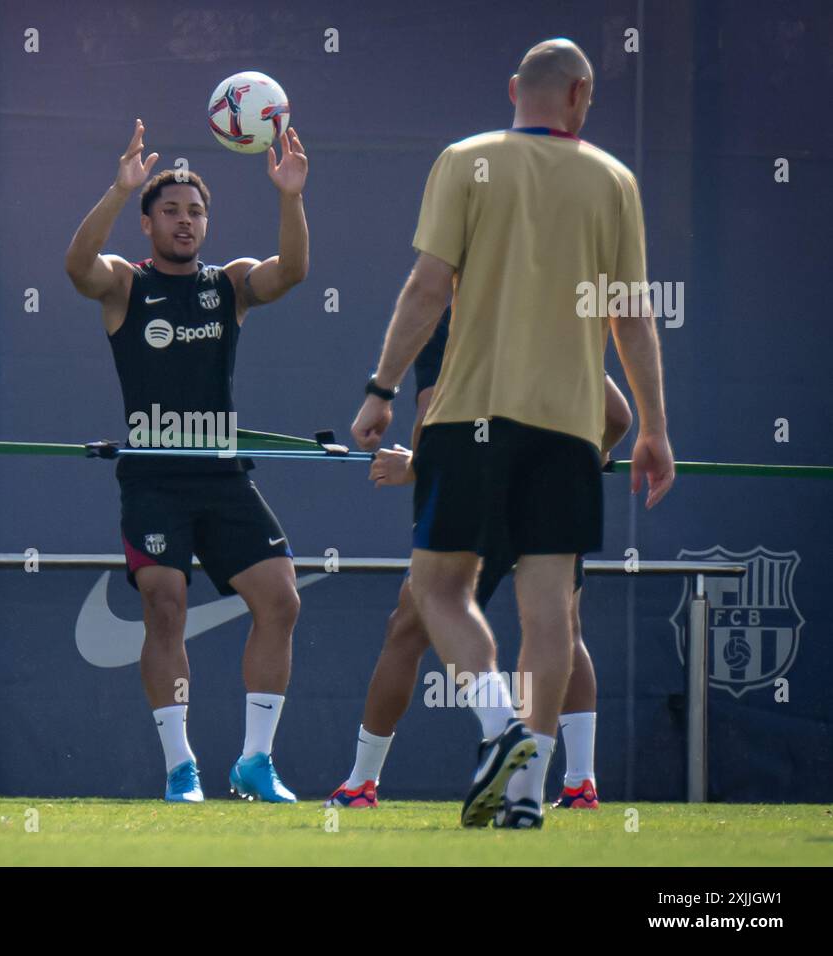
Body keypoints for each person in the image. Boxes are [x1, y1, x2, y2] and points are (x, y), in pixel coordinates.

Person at [350, 39, 674, 828]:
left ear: (513, 91)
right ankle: (526, 796)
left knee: (437, 590)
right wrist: (656, 431)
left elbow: (428, 286)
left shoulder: (465, 159)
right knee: (549, 613)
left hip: (471, 420)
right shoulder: (613, 179)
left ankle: (500, 728)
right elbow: (631, 314)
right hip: (568, 429)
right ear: (581, 96)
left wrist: (380, 389)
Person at [65, 119, 309, 802]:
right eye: (170, 210)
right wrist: (119, 189)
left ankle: (256, 763)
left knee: (281, 601)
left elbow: (291, 272)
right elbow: (77, 266)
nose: (185, 221)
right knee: (164, 605)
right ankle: (182, 769)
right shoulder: (124, 284)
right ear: (147, 223)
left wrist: (290, 195)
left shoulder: (228, 283)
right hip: (155, 479)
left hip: (223, 476)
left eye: (196, 211)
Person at [327, 308, 632, 811]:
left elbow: (431, 413)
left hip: (476, 493)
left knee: (411, 624)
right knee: (561, 629)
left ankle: (363, 783)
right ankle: (576, 784)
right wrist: (588, 453)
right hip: (553, 490)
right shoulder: (553, 312)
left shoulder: (443, 318)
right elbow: (618, 416)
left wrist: (414, 468)